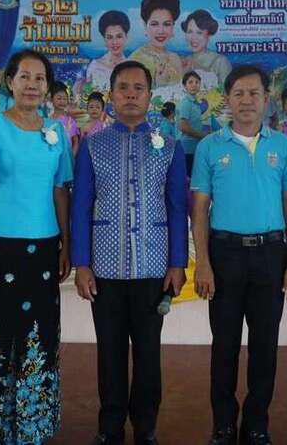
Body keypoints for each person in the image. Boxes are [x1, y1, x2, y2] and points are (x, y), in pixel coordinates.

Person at [0, 49, 73, 445]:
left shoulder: (55, 132)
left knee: (40, 334)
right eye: (25, 77)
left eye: (40, 79)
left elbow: (60, 190)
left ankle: (32, 427)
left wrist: (66, 244)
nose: (32, 85)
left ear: (48, 86)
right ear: (10, 81)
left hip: (44, 249)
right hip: (0, 248)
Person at [72, 60, 188, 445]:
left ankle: (146, 427)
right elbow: (81, 206)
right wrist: (81, 263)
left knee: (148, 353)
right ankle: (110, 427)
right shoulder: (93, 145)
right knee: (110, 352)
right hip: (104, 269)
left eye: (139, 88)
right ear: (111, 95)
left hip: (153, 267)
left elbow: (177, 207)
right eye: (123, 88)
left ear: (150, 95)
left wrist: (177, 262)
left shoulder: (169, 146)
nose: (131, 95)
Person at [191, 65, 287, 445]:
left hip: (271, 254)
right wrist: (203, 263)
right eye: (238, 93)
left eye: (254, 93)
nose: (246, 100)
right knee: (224, 345)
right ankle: (223, 424)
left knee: (264, 346)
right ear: (228, 98)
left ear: (266, 99)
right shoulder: (209, 147)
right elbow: (199, 210)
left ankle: (257, 424)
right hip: (224, 255)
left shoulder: (283, 146)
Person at [129, 0, 184, 88]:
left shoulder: (175, 59)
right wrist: (159, 85)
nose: (161, 31)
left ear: (173, 26)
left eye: (167, 24)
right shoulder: (135, 60)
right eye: (154, 24)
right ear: (145, 25)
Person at [181, 9, 232, 87]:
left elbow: (228, 91)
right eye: (190, 32)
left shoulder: (220, 62)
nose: (193, 37)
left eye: (199, 33)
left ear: (209, 35)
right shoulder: (184, 62)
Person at [86, 10, 131, 91]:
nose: (114, 42)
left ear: (126, 37)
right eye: (109, 37)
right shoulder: (95, 66)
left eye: (119, 36)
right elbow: (88, 95)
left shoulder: (133, 67)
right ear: (104, 39)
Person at [177, 71, 210, 174]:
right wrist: (203, 136)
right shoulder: (186, 103)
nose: (194, 85)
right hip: (187, 149)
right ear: (185, 86)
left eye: (197, 82)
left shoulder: (195, 104)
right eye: (190, 82)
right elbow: (183, 127)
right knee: (189, 178)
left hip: (194, 148)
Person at [50, 81, 80, 155]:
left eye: (64, 99)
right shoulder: (47, 120)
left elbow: (75, 142)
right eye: (59, 98)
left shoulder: (70, 121)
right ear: (52, 99)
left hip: (66, 158)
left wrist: (71, 157)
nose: (62, 101)